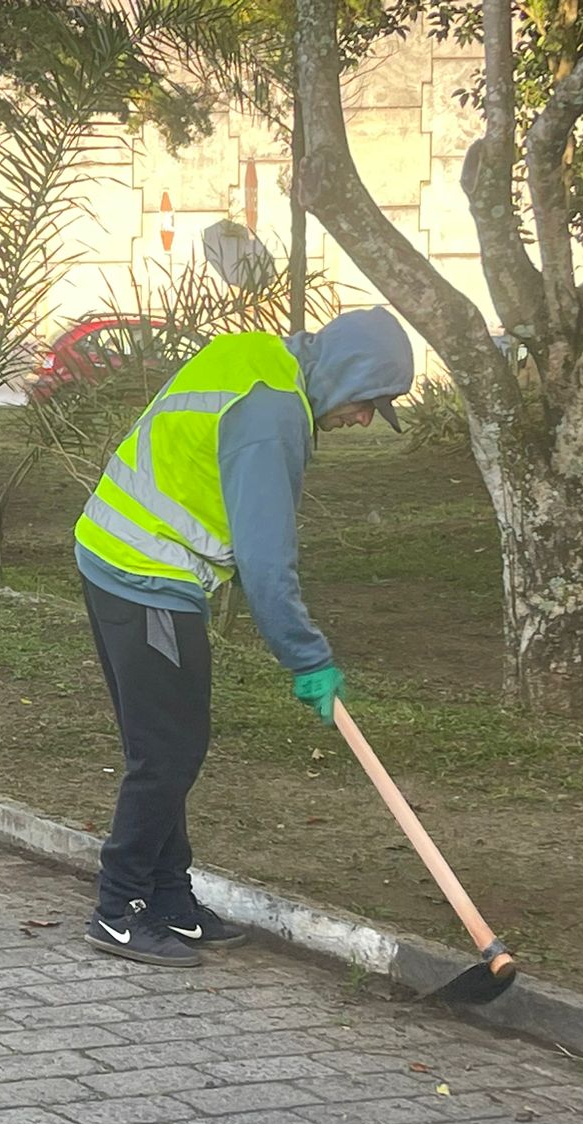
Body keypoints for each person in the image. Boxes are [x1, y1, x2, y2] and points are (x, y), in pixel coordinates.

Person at [74, 307, 414, 968]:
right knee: (167, 754)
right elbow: (266, 563)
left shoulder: (256, 356)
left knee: (168, 747)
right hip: (143, 570)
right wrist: (308, 658)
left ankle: (169, 897)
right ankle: (119, 908)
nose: (363, 420)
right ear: (347, 376)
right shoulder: (273, 414)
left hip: (117, 552)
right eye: (368, 403)